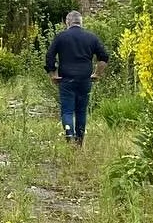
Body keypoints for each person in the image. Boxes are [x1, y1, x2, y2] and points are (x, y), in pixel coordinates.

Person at [44, 10, 109, 145]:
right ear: (81, 21)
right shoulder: (91, 37)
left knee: (67, 110)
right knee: (81, 111)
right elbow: (103, 57)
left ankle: (69, 137)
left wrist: (53, 74)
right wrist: (97, 73)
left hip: (66, 79)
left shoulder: (61, 37)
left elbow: (49, 56)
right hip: (85, 79)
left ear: (67, 22)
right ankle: (79, 141)